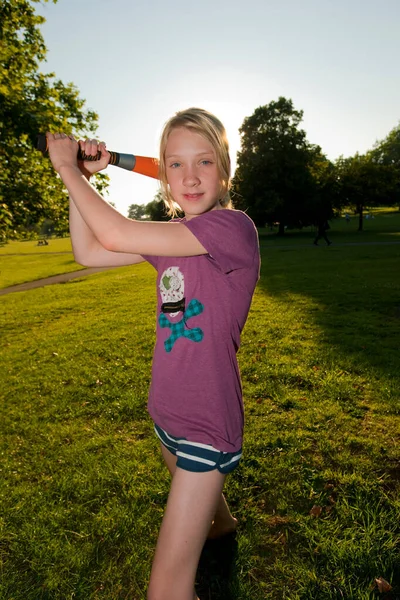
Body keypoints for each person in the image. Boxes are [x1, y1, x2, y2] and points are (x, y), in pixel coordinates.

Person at [46, 107, 260, 600]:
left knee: (165, 587)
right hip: (166, 413)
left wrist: (64, 167)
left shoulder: (232, 230)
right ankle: (221, 525)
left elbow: (118, 232)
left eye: (204, 162)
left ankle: (212, 516)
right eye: (176, 164)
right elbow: (91, 250)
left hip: (208, 423)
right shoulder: (171, 241)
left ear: (225, 170)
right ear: (163, 175)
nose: (189, 177)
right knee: (200, 500)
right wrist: (81, 178)